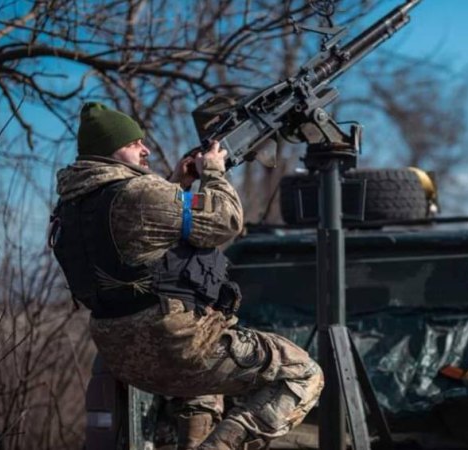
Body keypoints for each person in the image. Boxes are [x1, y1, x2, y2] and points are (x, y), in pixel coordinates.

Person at [50, 103, 323, 449]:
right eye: (134, 143)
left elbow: (135, 240)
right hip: (177, 345)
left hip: (121, 356)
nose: (144, 148)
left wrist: (177, 185)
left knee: (205, 392)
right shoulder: (140, 193)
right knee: (303, 374)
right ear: (109, 150)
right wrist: (213, 173)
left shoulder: (71, 207)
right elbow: (226, 221)